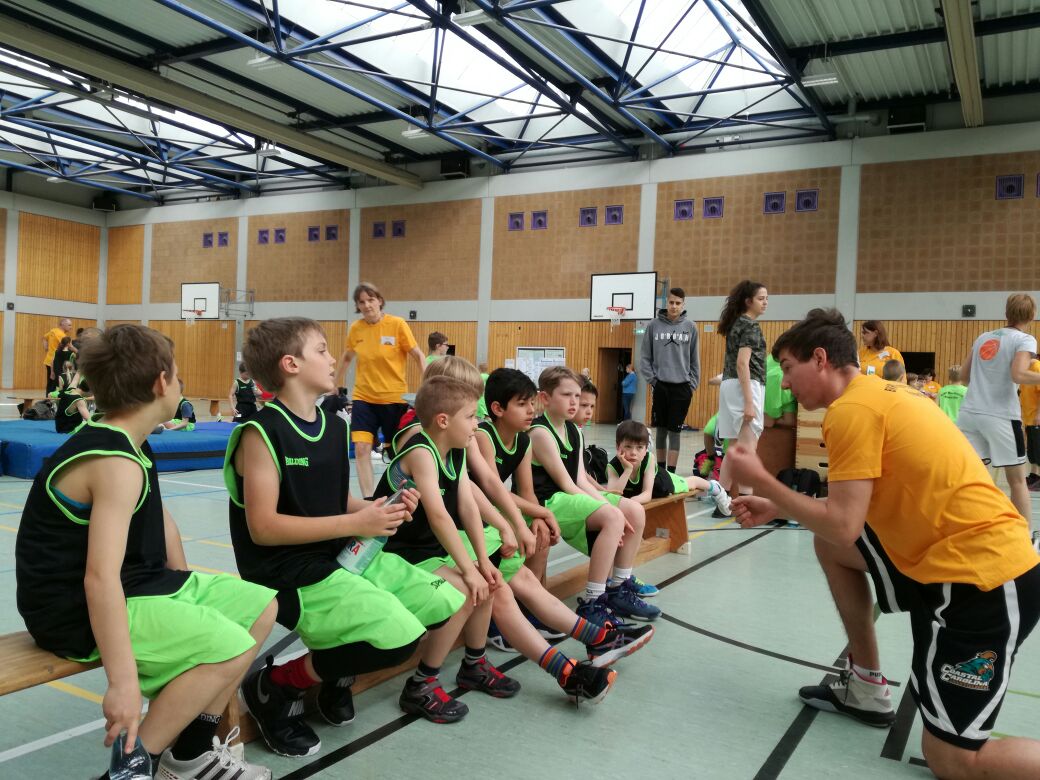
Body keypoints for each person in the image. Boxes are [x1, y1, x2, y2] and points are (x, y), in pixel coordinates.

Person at [726, 308, 1040, 780]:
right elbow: (852, 512)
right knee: (831, 548)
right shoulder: (883, 394)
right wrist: (781, 506)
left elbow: (842, 524)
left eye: (788, 368)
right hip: (950, 558)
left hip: (985, 582)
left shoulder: (851, 412)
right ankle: (867, 687)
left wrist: (764, 481)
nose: (785, 384)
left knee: (954, 761)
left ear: (820, 359)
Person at [16, 324, 278, 780]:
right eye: (177, 374)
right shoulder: (113, 462)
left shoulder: (132, 442)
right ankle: (133, 767)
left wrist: (187, 591)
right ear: (161, 382)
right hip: (70, 611)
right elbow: (99, 577)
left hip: (137, 583)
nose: (180, 384)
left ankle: (190, 755)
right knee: (229, 647)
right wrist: (122, 684)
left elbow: (160, 518)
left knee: (259, 607)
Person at [226, 318, 473, 749]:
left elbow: (337, 500)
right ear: (290, 364)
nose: (332, 359)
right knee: (399, 638)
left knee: (442, 600)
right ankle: (276, 685)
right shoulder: (261, 433)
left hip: (339, 554)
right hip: (287, 571)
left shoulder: (333, 425)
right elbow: (263, 529)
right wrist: (356, 524)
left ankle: (337, 672)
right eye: (321, 350)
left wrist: (380, 508)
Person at [375, 375, 625, 704]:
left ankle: (482, 665)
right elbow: (439, 517)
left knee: (489, 581)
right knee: (470, 589)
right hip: (397, 551)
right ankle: (421, 684)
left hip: (430, 547)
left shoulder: (455, 451)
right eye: (470, 416)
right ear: (443, 421)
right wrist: (469, 569)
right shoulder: (422, 452)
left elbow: (467, 505)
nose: (475, 424)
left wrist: (482, 560)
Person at [529, 366, 661, 622]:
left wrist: (608, 504)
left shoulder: (574, 431)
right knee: (613, 517)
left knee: (634, 510)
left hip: (570, 496)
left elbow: (581, 479)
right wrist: (609, 511)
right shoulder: (540, 432)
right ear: (545, 398)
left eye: (577, 396)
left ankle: (619, 586)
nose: (574, 402)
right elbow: (567, 483)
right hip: (548, 501)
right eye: (567, 395)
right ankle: (593, 601)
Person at [957, 293, 1040, 531]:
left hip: (969, 414)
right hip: (1001, 416)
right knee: (1017, 481)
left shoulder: (983, 337)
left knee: (970, 479)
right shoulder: (1025, 339)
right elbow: (1018, 374)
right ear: (1032, 316)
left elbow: (963, 376)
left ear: (1006, 313)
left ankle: (970, 529)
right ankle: (1024, 538)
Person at [335, 282, 425, 497]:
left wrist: (427, 386)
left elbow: (418, 355)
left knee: (397, 451)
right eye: (361, 302)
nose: (367, 305)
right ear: (357, 306)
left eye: (371, 300)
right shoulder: (356, 329)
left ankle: (401, 495)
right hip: (363, 398)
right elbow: (346, 357)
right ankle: (369, 499)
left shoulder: (397, 324)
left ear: (380, 301)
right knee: (361, 448)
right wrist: (333, 384)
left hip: (394, 399)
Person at [715, 280, 769, 514]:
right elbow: (742, 363)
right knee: (747, 449)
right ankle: (746, 504)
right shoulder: (750, 326)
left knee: (735, 448)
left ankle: (722, 503)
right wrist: (749, 401)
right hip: (745, 386)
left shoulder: (736, 324)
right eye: (761, 299)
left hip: (730, 386)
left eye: (766, 299)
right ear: (748, 301)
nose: (765, 303)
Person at [639, 288, 700, 473]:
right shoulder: (653, 325)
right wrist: (653, 381)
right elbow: (645, 357)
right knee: (661, 430)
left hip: (682, 388)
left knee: (675, 431)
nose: (674, 306)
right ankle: (661, 471)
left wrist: (692, 385)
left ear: (683, 305)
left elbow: (694, 359)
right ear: (667, 303)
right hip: (661, 385)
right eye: (671, 302)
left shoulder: (691, 327)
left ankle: (671, 474)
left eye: (678, 303)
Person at [607, 420, 729, 511]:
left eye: (639, 447)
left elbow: (647, 495)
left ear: (645, 449)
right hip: (636, 493)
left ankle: (715, 487)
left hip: (659, 484)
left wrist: (629, 502)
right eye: (628, 446)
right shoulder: (612, 467)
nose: (633, 452)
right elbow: (612, 496)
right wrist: (627, 470)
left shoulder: (649, 459)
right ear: (618, 446)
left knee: (690, 483)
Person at [1022, 355, 1040, 492]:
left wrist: (1039, 414)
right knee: (1033, 452)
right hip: (1029, 418)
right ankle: (1034, 476)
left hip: (1036, 417)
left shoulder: (1037, 368)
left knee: (1039, 450)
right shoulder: (1025, 370)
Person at [42, 316, 72, 395]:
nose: (71, 327)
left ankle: (48, 398)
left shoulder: (53, 331)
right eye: (69, 325)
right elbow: (68, 346)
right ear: (62, 324)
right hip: (55, 362)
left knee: (51, 381)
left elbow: (44, 338)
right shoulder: (61, 335)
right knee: (56, 382)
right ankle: (52, 399)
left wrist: (46, 348)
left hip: (49, 360)